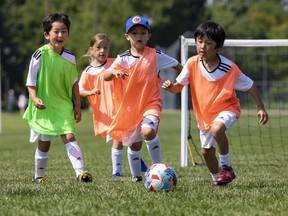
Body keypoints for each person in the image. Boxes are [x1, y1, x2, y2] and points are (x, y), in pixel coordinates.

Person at [162, 21, 269, 186]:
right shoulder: (191, 63)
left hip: (228, 108)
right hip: (204, 116)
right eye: (199, 41)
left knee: (217, 129)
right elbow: (178, 87)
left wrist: (260, 107)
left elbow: (250, 85)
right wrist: (171, 87)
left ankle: (226, 167)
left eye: (208, 43)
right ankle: (218, 180)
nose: (202, 46)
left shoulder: (229, 68)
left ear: (218, 48)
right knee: (206, 153)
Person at [104, 15, 183, 182]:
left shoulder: (156, 56)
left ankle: (159, 170)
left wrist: (176, 84)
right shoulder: (122, 58)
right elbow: (105, 76)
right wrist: (114, 72)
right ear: (127, 36)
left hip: (151, 104)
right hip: (131, 109)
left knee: (148, 131)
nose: (138, 36)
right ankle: (136, 177)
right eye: (134, 33)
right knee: (134, 144)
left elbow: (180, 67)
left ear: (149, 36)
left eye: (142, 32)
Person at [23, 12, 92, 183]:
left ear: (68, 33)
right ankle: (39, 176)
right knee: (44, 143)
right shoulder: (39, 55)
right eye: (56, 31)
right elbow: (30, 82)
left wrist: (77, 105)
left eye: (64, 31)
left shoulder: (70, 57)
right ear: (47, 34)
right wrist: (34, 98)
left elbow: (74, 83)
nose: (60, 35)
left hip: (62, 104)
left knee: (69, 135)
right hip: (44, 105)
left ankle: (80, 172)